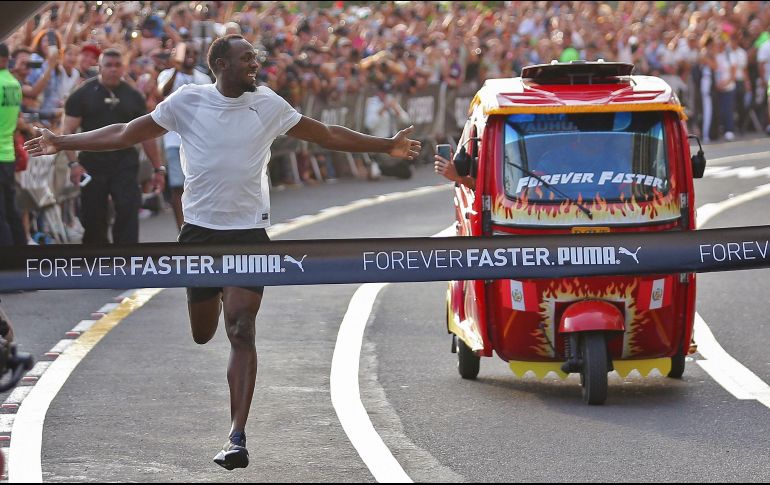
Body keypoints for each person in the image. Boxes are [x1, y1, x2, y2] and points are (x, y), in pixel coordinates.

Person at [25, 34, 420, 470]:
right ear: (220, 64)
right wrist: (62, 141)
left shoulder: (267, 103)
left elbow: (325, 134)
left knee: (242, 329)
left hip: (248, 233)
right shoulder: (187, 102)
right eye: (246, 59)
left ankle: (237, 436)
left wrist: (386, 146)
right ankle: (211, 294)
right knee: (202, 332)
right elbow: (123, 133)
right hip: (199, 235)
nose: (256, 64)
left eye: (255, 58)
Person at [62, 48, 165, 244]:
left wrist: (157, 168)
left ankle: (126, 261)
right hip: (92, 162)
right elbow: (67, 132)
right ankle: (95, 263)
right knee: (93, 217)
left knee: (127, 209)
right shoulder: (82, 94)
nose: (113, 70)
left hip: (124, 162)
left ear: (123, 68)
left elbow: (147, 134)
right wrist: (73, 164)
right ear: (99, 67)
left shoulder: (133, 96)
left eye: (117, 65)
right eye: (108, 65)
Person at [156, 42, 211, 230]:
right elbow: (162, 92)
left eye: (194, 52)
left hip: (199, 142)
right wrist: (176, 69)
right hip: (174, 140)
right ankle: (183, 229)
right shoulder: (167, 75)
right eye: (186, 52)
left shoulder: (203, 78)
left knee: (198, 187)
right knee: (178, 187)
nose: (190, 55)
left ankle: (200, 225)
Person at [0, 43, 25, 247]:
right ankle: (20, 252)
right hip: (7, 153)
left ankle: (7, 261)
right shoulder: (14, 83)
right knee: (11, 209)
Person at [364, 82, 413, 179]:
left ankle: (379, 169)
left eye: (387, 93)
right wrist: (382, 110)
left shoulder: (391, 100)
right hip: (380, 140)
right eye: (383, 93)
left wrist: (397, 110)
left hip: (393, 139)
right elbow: (369, 125)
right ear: (378, 93)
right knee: (404, 171)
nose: (386, 96)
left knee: (407, 166)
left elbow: (407, 120)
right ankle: (379, 168)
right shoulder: (372, 104)